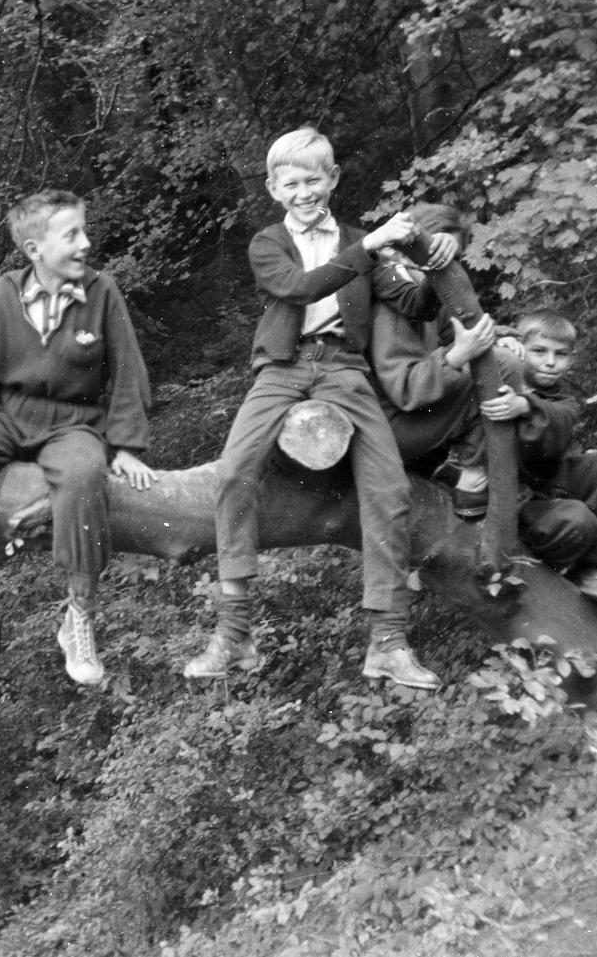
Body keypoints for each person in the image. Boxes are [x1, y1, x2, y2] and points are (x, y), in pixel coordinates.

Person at [183, 127, 456, 690]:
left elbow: (411, 300)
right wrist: (371, 247)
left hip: (342, 370)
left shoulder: (360, 240)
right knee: (234, 471)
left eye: (314, 179)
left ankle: (388, 642)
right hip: (281, 368)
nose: (303, 191)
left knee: (389, 486)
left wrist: (434, 262)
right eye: (291, 183)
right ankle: (234, 634)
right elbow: (302, 289)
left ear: (332, 179)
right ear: (273, 188)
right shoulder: (268, 243)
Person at [0, 190, 157, 686]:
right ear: (33, 249)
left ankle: (79, 616)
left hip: (73, 422)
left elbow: (129, 371)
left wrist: (125, 447)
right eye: (72, 235)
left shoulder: (102, 292)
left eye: (84, 231)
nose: (85, 243)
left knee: (85, 474)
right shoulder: (5, 292)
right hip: (7, 413)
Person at [370, 202, 525, 520]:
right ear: (401, 255)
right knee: (504, 366)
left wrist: (496, 341)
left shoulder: (429, 297)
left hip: (412, 422)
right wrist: (459, 356)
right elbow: (407, 389)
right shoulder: (390, 307)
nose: (445, 268)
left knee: (506, 359)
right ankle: (472, 479)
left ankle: (458, 470)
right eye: (434, 256)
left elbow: (457, 335)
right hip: (386, 432)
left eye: (450, 259)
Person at [482, 310, 597, 607]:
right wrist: (503, 338)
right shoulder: (494, 372)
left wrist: (525, 405)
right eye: (538, 351)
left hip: (544, 500)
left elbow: (558, 419)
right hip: (504, 502)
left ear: (571, 360)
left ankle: (590, 570)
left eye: (560, 354)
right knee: (579, 520)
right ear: (521, 349)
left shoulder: (565, 403)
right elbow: (471, 335)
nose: (550, 362)